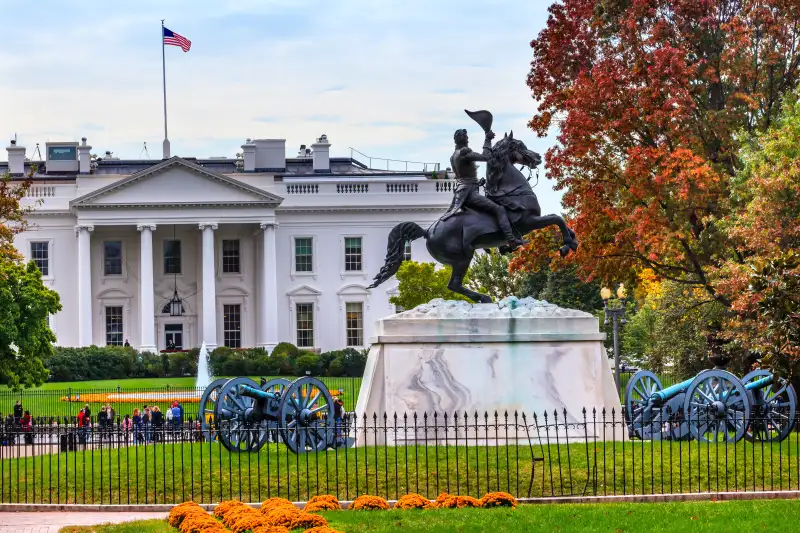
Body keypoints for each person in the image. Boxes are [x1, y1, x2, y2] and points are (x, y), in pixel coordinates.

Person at [441, 128, 525, 250]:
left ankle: (499, 242)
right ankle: (510, 240)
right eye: (466, 137)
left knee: (490, 209)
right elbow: (486, 157)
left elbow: (464, 176)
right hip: (469, 193)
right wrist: (488, 139)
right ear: (462, 139)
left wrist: (477, 182)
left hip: (463, 191)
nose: (468, 140)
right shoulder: (464, 152)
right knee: (499, 209)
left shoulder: (453, 155)